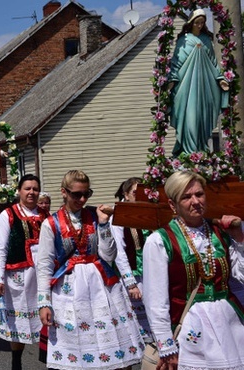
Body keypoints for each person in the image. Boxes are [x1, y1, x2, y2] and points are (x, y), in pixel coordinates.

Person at [37, 170, 143, 369]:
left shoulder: (96, 215)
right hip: (68, 288)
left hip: (101, 285)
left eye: (87, 193)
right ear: (64, 192)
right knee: (77, 347)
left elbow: (109, 255)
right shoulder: (50, 224)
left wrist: (103, 225)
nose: (83, 199)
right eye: (77, 194)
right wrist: (44, 302)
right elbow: (44, 265)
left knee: (112, 344)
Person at [142, 170, 244, 369]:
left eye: (199, 194)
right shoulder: (160, 241)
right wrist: (166, 347)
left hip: (228, 322)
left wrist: (239, 239)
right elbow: (155, 300)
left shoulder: (220, 232)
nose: (195, 201)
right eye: (186, 197)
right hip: (190, 325)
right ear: (173, 205)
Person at [0, 174, 49, 370]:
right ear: (19, 191)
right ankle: (16, 360)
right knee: (19, 323)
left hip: (42, 276)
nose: (32, 192)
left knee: (48, 317)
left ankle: (53, 360)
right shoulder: (8, 214)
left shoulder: (46, 216)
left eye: (35, 188)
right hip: (19, 277)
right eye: (27, 188)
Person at [168, 8, 229, 156]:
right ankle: (189, 152)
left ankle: (200, 149)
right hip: (186, 86)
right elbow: (176, 62)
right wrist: (172, 79)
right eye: (197, 22)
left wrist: (220, 79)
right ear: (191, 23)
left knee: (202, 118)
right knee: (189, 118)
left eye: (202, 22)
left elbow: (213, 62)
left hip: (204, 85)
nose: (200, 25)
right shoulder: (184, 40)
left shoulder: (206, 40)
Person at [111, 177, 152, 343]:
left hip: (150, 275)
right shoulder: (119, 217)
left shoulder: (148, 215)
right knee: (134, 325)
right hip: (132, 277)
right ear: (126, 195)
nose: (139, 196)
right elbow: (119, 252)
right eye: (135, 193)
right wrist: (131, 283)